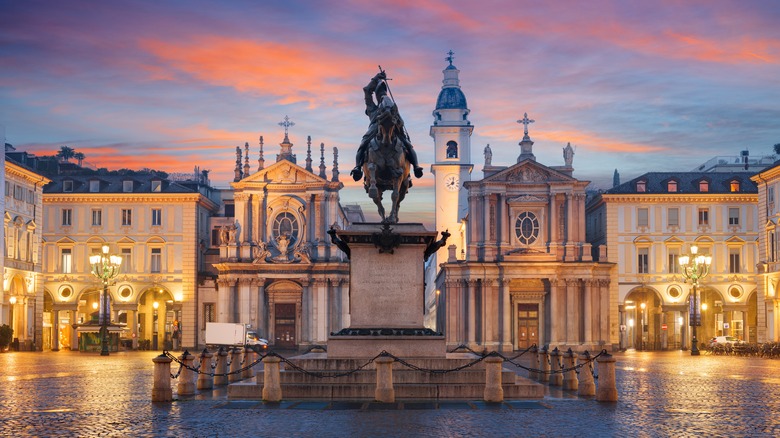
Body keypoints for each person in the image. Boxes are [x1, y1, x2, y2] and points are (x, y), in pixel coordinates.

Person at [351, 71, 424, 181]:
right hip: (374, 130)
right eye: (379, 93)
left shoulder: (392, 106)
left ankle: (416, 166)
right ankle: (358, 167)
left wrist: (397, 122)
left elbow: (401, 121)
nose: (381, 95)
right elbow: (367, 90)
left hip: (394, 128)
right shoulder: (372, 108)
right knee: (363, 145)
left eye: (382, 93)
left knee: (408, 145)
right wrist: (376, 78)